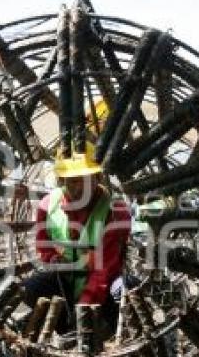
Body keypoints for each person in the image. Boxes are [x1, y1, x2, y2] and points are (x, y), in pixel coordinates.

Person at [25, 143, 131, 337]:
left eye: (86, 180)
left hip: (104, 287)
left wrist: (83, 309)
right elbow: (43, 245)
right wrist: (52, 258)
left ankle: (108, 331)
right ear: (62, 180)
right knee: (32, 288)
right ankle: (66, 331)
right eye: (73, 181)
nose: (79, 187)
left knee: (125, 291)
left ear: (98, 177)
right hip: (66, 281)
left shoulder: (116, 212)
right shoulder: (47, 205)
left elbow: (103, 271)